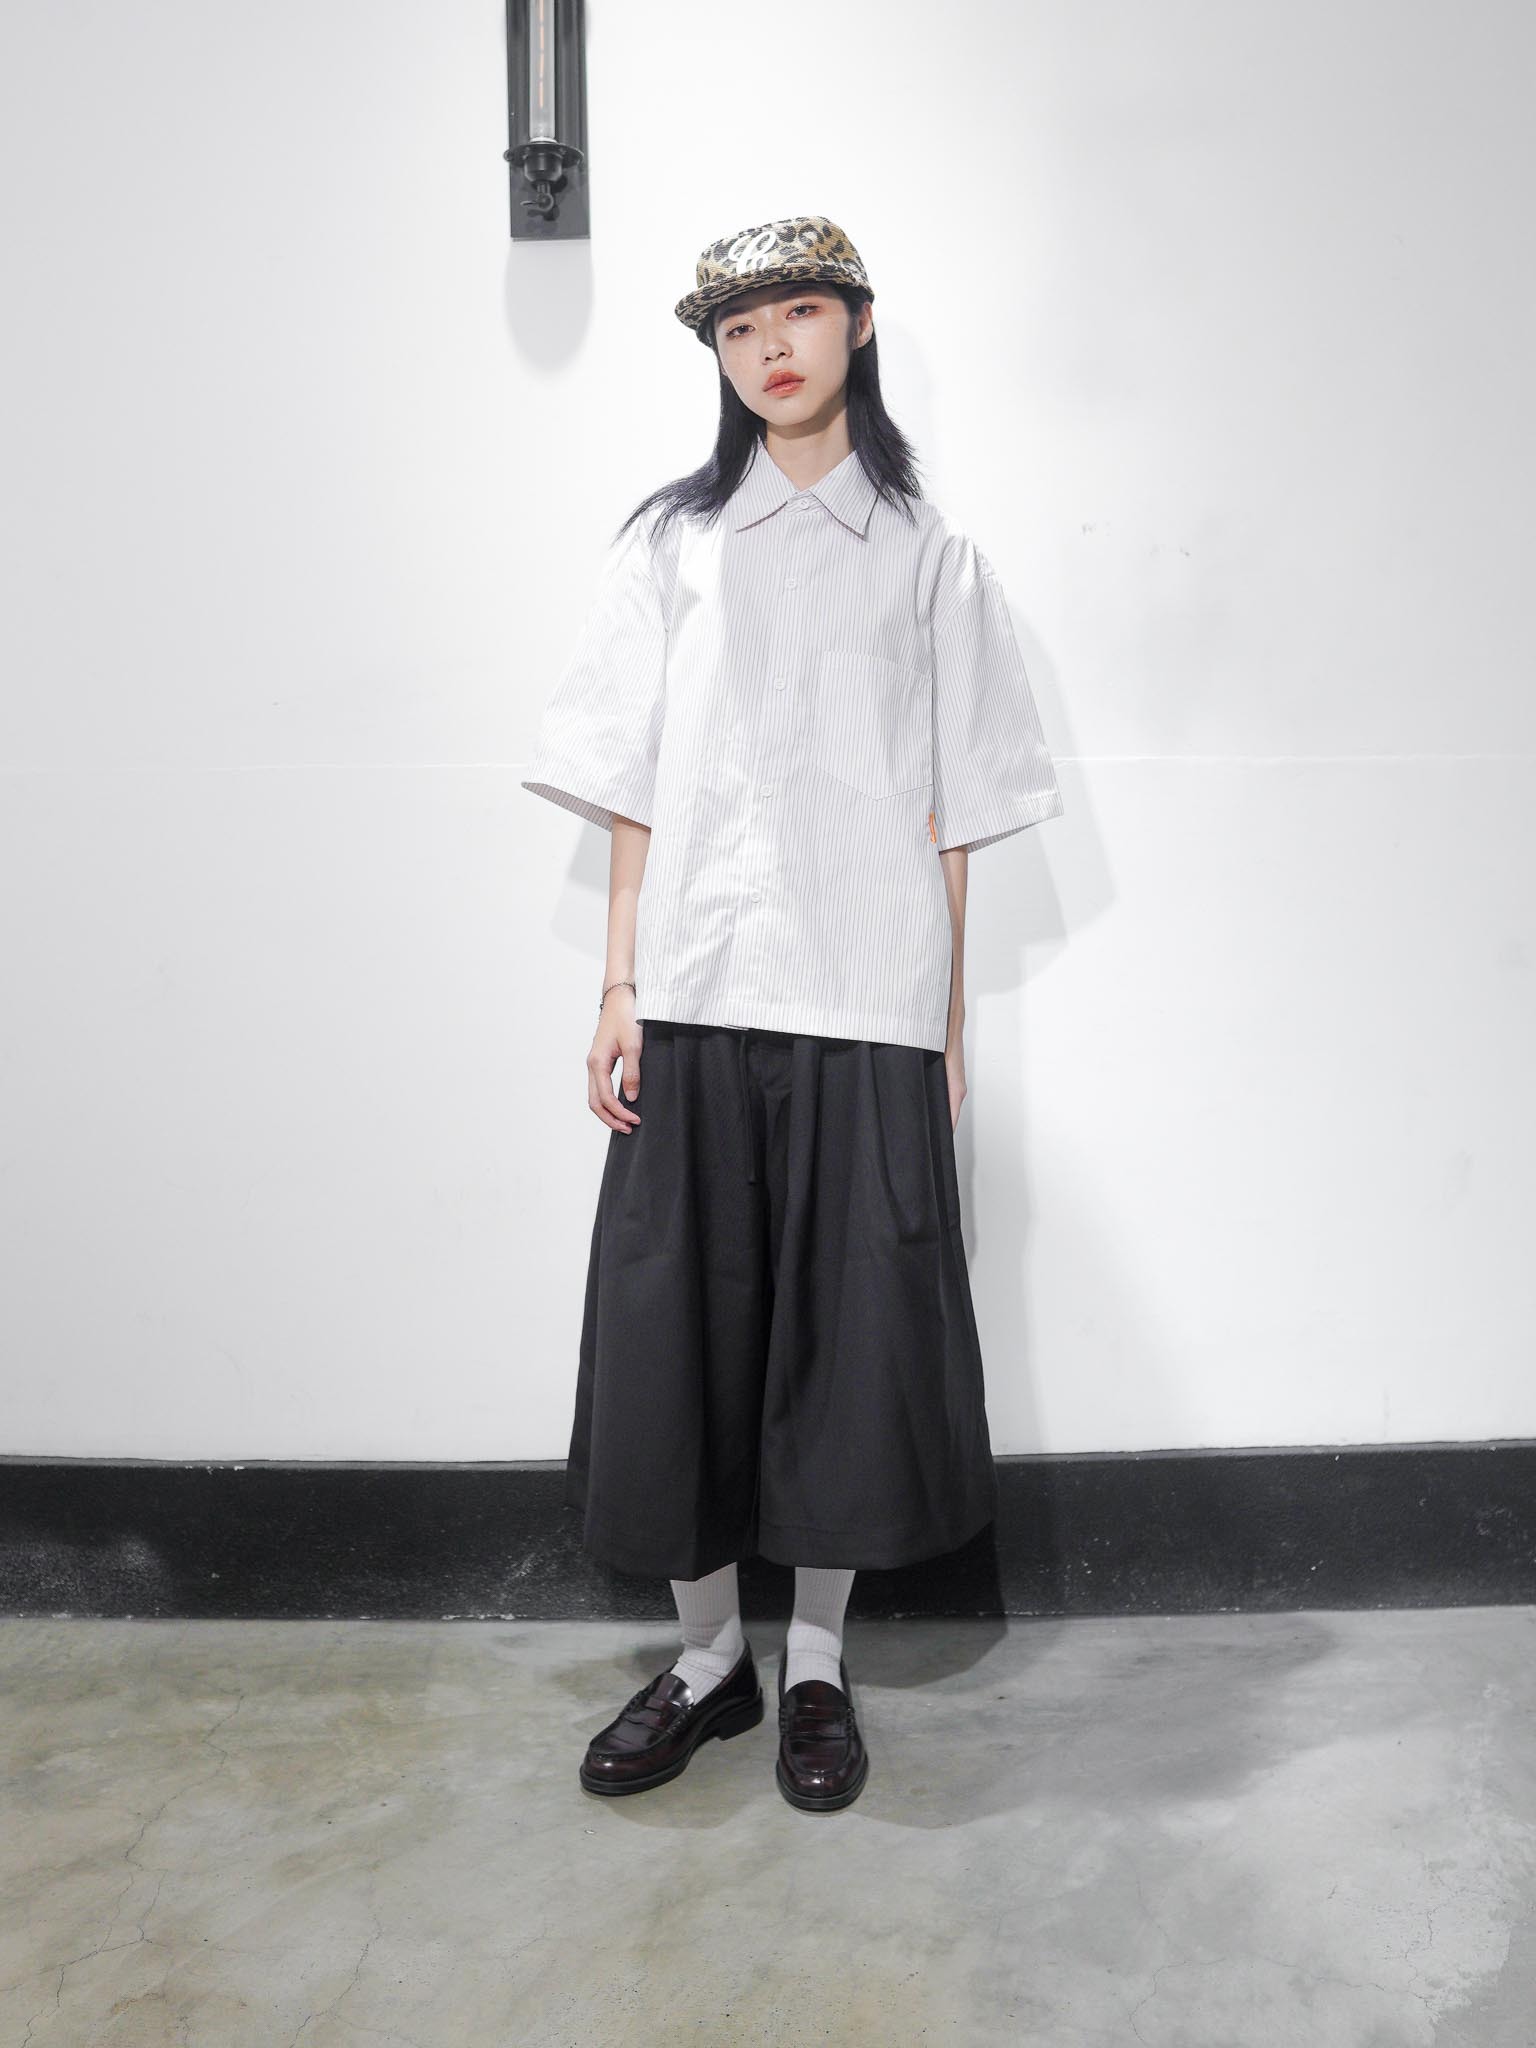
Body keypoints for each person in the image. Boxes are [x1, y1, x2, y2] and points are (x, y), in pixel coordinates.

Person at [522, 214, 1064, 1813]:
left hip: (862, 996)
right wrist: (619, 984)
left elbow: (956, 815)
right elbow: (630, 786)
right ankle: (710, 1665)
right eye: (741, 326)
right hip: (694, 990)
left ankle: (816, 1662)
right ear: (718, 354)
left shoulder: (931, 557)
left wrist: (943, 1025)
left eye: (800, 313)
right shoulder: (673, 546)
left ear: (858, 326)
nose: (771, 348)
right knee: (672, 1334)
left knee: (848, 1340)